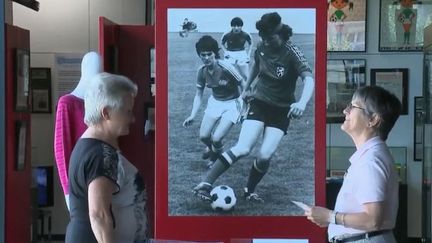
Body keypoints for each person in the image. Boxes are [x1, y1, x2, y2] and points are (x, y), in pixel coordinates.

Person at [192, 12, 315, 202]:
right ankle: (205, 184)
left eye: (270, 38)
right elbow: (256, 66)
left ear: (281, 34)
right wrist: (246, 89)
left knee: (265, 155)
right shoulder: (261, 46)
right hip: (259, 103)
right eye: (263, 38)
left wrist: (301, 102)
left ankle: (249, 191)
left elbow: (309, 79)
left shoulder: (292, 52)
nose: (266, 41)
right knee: (243, 147)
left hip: (281, 111)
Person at [305, 86, 401, 242]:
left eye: (353, 107)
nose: (345, 111)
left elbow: (372, 219)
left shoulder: (371, 161)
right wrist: (331, 219)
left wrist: (330, 216)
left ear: (373, 120)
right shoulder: (370, 156)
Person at [65, 72, 148, 243]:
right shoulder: (100, 154)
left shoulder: (89, 146)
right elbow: (99, 215)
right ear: (106, 113)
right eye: (127, 111)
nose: (132, 119)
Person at [183, 35, 245, 169]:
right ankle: (214, 149)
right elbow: (198, 95)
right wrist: (192, 115)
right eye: (202, 55)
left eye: (209, 54)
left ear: (214, 53)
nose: (206, 58)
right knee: (204, 136)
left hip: (232, 104)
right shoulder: (202, 71)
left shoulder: (226, 67)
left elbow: (243, 84)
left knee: (216, 138)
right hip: (215, 103)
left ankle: (215, 157)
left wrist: (243, 106)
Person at [54, 51, 101, 210]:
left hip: (99, 178)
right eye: (95, 69)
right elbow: (62, 150)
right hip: (79, 183)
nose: (98, 73)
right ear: (85, 70)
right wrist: (68, 191)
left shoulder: (99, 104)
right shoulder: (67, 103)